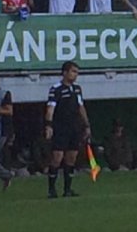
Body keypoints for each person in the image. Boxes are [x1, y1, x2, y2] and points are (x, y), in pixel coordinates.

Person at [45, 61, 92, 199]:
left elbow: (80, 107)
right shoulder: (56, 89)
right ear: (65, 72)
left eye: (77, 72)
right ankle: (52, 189)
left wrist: (86, 125)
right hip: (61, 128)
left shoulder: (77, 89)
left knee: (71, 158)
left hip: (74, 127)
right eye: (73, 71)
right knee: (57, 157)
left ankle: (67, 189)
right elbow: (50, 108)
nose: (75, 75)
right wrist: (49, 125)